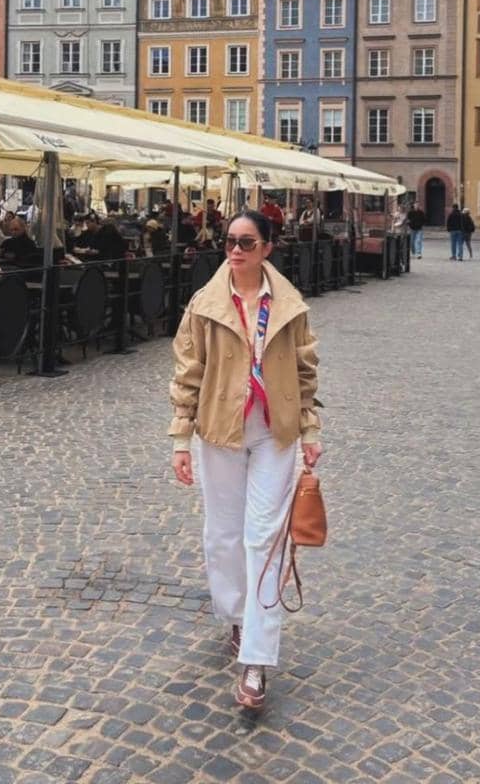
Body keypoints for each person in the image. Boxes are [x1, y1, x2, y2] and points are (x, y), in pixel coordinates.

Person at [170, 211, 322, 712]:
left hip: (273, 431)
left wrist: (309, 433)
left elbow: (304, 373)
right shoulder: (206, 304)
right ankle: (236, 616)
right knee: (223, 535)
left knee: (264, 538)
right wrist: (179, 439)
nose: (235, 250)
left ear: (267, 249)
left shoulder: (290, 306)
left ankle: (257, 660)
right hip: (219, 429)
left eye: (246, 242)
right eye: (230, 241)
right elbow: (188, 371)